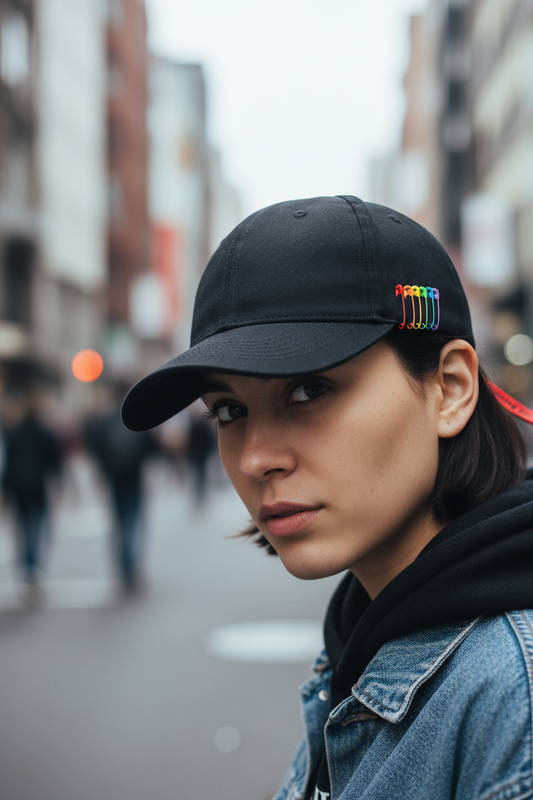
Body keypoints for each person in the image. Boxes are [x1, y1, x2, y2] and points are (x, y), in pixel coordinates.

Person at [122, 196, 533, 800]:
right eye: (229, 411)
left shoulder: (511, 698)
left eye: (310, 391)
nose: (258, 457)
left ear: (449, 389)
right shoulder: (369, 633)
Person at [84, 386, 157, 591]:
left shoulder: (105, 421)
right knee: (134, 522)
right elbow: (151, 449)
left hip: (115, 479)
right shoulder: (136, 419)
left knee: (119, 523)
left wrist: (103, 474)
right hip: (134, 478)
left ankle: (123, 566)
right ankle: (132, 566)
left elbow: (96, 449)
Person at [1, 388, 62, 594]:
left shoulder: (12, 433)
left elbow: (7, 466)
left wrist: (6, 491)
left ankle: (27, 567)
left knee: (22, 529)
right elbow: (54, 463)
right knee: (35, 528)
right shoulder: (43, 432)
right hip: (36, 489)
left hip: (18, 489)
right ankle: (32, 568)